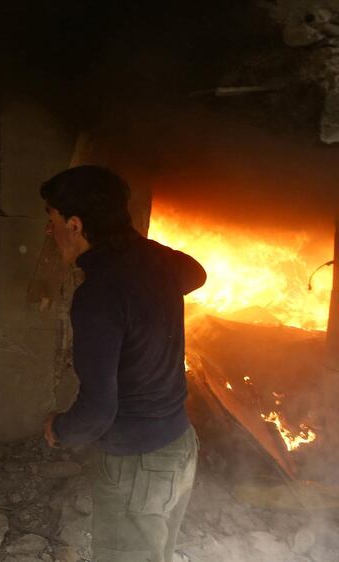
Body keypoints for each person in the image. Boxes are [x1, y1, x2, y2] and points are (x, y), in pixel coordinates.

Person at [40, 166, 206, 562]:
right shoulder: (157, 264)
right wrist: (138, 252)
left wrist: (59, 429)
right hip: (179, 445)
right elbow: (196, 273)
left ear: (75, 225)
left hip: (138, 463)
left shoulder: (98, 294)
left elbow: (99, 408)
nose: (49, 232)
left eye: (52, 220)